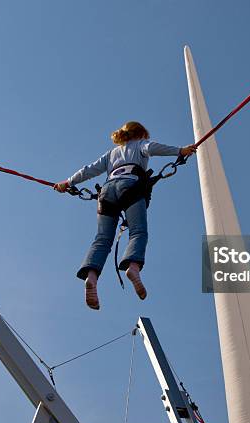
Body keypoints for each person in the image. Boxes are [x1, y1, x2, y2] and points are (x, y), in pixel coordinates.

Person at [54, 121, 197, 310]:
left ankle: (91, 277)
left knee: (102, 239)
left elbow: (89, 170)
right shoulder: (140, 144)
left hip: (106, 193)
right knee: (138, 232)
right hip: (130, 187)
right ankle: (133, 267)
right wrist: (181, 151)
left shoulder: (111, 153)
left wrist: (68, 182)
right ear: (140, 134)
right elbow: (153, 148)